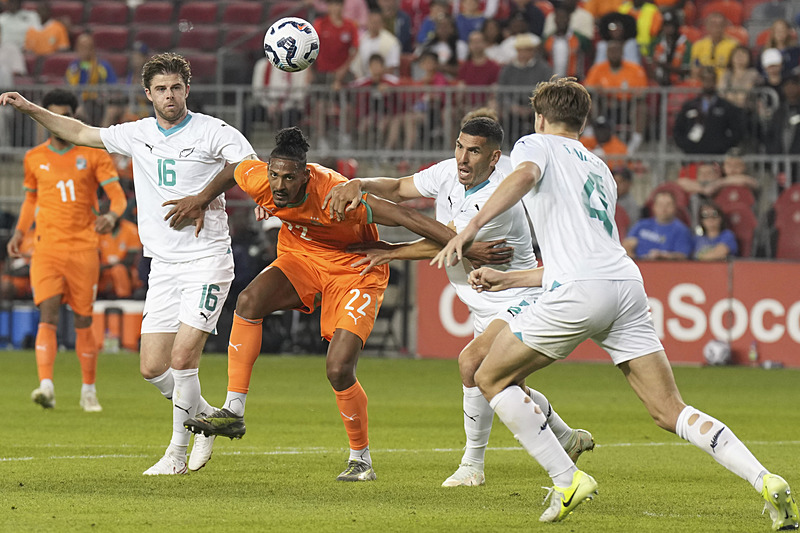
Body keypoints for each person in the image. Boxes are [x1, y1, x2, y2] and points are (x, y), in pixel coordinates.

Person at [431, 77, 798, 529]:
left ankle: (566, 478)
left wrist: (468, 230)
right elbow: (588, 255)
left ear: (540, 117)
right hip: (624, 284)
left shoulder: (534, 144)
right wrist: (510, 277)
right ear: (581, 121)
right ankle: (765, 479)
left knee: (488, 373)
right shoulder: (600, 168)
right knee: (670, 410)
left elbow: (523, 177)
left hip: (580, 290)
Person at [165, 126, 509, 482]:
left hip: (354, 269)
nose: (279, 186)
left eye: (289, 178)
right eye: (275, 176)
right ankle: (234, 409)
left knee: (338, 368)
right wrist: (201, 198)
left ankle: (361, 459)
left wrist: (463, 244)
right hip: (302, 259)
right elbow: (233, 169)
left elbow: (409, 218)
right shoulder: (259, 179)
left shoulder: (337, 197)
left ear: (305, 175)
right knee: (249, 301)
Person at [0, 52, 259, 476]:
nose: (170, 95)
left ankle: (176, 453)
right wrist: (31, 109)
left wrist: (204, 197)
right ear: (148, 94)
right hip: (163, 265)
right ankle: (208, 420)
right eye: (161, 89)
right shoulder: (136, 133)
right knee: (152, 368)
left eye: (176, 87)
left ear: (187, 89)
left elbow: (246, 165)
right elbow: (80, 130)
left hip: (207, 259)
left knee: (182, 358)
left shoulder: (214, 130)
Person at [323, 116, 595, 487]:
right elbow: (401, 187)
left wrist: (391, 252)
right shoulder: (450, 171)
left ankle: (473, 466)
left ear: (495, 157)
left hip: (518, 295)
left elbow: (447, 242)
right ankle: (567, 438)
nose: (463, 158)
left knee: (471, 364)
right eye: (460, 147)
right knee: (509, 385)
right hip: (482, 300)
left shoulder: (498, 198)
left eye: (475, 151)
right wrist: (360, 182)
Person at [5, 89, 127, 412]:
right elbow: (31, 199)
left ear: (74, 116)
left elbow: (118, 197)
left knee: (83, 320)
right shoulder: (34, 158)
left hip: (84, 248)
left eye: (64, 115)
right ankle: (46, 385)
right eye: (52, 115)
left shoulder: (95, 154)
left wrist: (112, 216)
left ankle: (89, 390)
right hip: (46, 249)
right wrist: (19, 232)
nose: (56, 122)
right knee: (47, 313)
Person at [672, 65, 744, 155]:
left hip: (717, 156)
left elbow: (736, 131)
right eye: (705, 79)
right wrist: (687, 145)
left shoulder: (726, 107)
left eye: (711, 80)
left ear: (715, 81)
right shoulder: (689, 106)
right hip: (692, 155)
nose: (708, 83)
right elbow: (678, 129)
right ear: (701, 81)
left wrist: (722, 146)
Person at [65, 34, 120, 127]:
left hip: (101, 103)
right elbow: (69, 88)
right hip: (81, 103)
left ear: (93, 48)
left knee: (111, 111)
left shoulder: (103, 66)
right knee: (76, 110)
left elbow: (114, 87)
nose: (84, 50)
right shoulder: (73, 68)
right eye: (81, 47)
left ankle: (101, 137)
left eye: (87, 47)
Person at [622, 189, 693, 260]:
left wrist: (663, 256)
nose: (664, 208)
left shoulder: (681, 230)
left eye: (668, 205)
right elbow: (626, 245)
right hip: (638, 264)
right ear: (654, 207)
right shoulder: (641, 225)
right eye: (660, 204)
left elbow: (683, 256)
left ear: (675, 207)